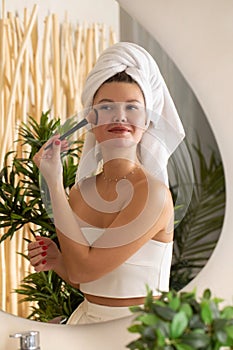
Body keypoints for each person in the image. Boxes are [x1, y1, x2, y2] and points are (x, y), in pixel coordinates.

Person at [28, 42, 185, 325]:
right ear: (91, 118)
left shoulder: (152, 195)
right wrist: (58, 262)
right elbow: (87, 281)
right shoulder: (81, 192)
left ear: (148, 120)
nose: (120, 116)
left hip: (137, 331)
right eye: (107, 106)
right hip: (85, 323)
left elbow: (83, 271)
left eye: (132, 107)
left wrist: (53, 182)